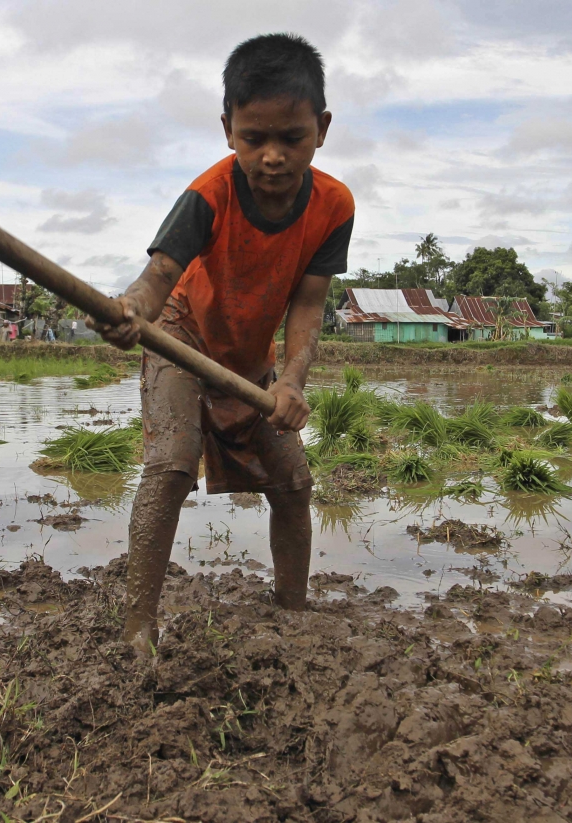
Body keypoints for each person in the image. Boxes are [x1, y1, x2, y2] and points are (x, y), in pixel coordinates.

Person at [88, 33, 353, 652]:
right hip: (181, 335)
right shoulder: (210, 193)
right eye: (253, 138)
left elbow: (308, 304)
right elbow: (158, 277)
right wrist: (131, 312)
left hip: (248, 362)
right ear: (227, 130)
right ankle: (138, 628)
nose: (272, 158)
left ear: (322, 127)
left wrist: (291, 380)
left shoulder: (334, 206)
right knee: (171, 462)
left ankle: (292, 612)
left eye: (292, 138)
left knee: (292, 481)